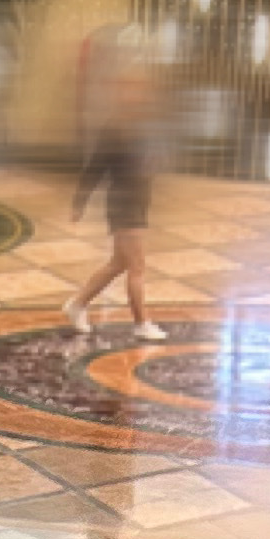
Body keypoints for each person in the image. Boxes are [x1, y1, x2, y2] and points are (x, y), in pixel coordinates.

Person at [68, 53, 154, 331]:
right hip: (123, 205)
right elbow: (95, 168)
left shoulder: (140, 123)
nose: (136, 93)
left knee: (118, 263)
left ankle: (77, 304)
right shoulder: (114, 126)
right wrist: (79, 202)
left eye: (140, 87)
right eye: (130, 87)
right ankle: (141, 323)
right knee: (137, 266)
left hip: (137, 203)